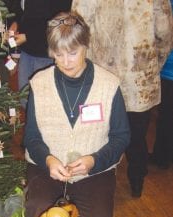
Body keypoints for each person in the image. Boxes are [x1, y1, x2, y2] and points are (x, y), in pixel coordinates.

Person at [24, 11, 130, 217]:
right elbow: (32, 137)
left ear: (85, 46)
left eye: (72, 53)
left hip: (94, 170)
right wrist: (48, 160)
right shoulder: (39, 84)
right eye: (58, 54)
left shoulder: (109, 85)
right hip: (46, 167)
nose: (65, 62)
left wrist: (93, 160)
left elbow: (121, 137)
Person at [72, 0, 172, 197]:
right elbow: (164, 35)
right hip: (139, 78)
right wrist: (153, 66)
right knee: (137, 135)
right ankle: (136, 181)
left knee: (98, 133)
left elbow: (77, 31)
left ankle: (99, 183)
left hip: (101, 78)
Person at [6, 0, 72, 108]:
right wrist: (15, 22)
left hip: (46, 53)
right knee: (25, 100)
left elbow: (59, 21)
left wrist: (28, 36)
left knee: (42, 102)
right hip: (26, 51)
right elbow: (23, 11)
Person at [149, 0, 173, 169]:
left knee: (167, 116)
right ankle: (162, 155)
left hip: (167, 68)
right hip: (167, 67)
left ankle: (162, 157)